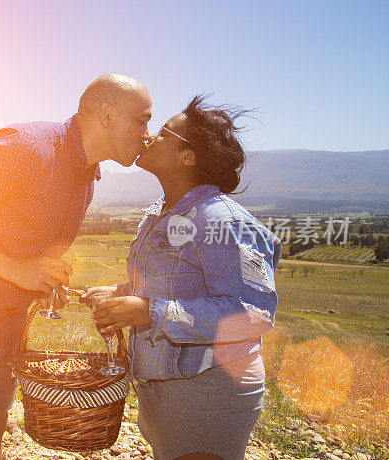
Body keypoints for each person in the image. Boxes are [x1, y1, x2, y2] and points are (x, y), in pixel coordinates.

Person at [0, 73, 152, 460]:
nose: (148, 133)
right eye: (143, 119)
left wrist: (43, 280)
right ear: (107, 114)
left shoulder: (88, 175)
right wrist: (17, 270)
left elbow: (29, 247)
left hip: (9, 324)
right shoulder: (24, 147)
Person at [86, 95, 281, 460]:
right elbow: (176, 282)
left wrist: (150, 311)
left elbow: (253, 313)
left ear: (188, 156)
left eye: (162, 133)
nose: (148, 137)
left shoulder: (225, 222)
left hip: (207, 391)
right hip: (167, 386)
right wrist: (121, 294)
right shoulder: (169, 216)